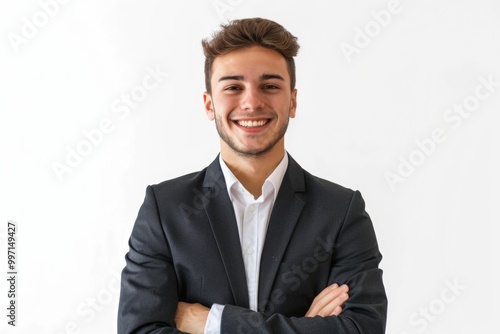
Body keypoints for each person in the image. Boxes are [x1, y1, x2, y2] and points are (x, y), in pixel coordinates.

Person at [118, 17, 387, 334]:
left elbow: (361, 330)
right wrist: (308, 327)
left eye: (270, 86)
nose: (251, 102)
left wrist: (212, 323)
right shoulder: (164, 210)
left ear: (293, 101)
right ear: (209, 104)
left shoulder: (341, 211)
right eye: (233, 87)